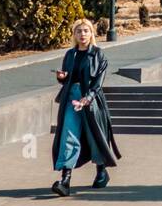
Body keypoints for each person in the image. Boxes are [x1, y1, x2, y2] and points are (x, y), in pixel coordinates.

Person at [51, 19, 122, 196]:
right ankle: (65, 181)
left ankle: (101, 172)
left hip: (91, 100)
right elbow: (68, 78)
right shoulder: (70, 55)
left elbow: (98, 83)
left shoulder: (98, 54)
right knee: (69, 134)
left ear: (91, 33)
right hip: (71, 98)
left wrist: (87, 99)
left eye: (86, 31)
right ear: (74, 34)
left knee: (93, 136)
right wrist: (62, 77)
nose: (82, 34)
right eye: (78, 31)